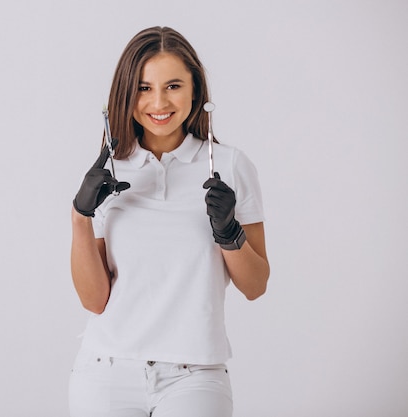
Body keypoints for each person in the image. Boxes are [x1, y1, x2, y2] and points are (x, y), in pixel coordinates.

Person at [69, 26, 270, 417]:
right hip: (105, 372)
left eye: (173, 85)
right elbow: (94, 300)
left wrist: (229, 234)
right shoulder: (107, 172)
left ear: (195, 91)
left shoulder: (229, 166)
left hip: (195, 375)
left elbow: (256, 286)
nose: (158, 102)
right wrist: (80, 216)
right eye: (143, 88)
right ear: (125, 96)